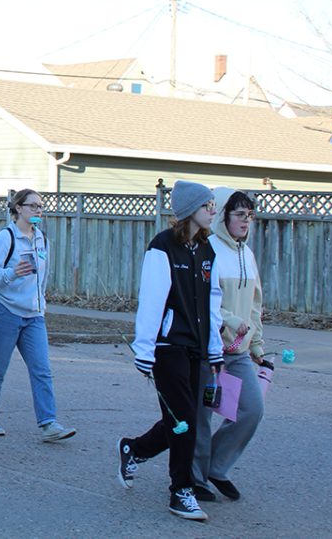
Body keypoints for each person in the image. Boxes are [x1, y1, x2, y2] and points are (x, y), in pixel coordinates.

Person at [118, 180, 224, 522]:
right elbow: (152, 299)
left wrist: (215, 347)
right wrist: (144, 348)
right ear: (189, 210)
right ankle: (181, 491)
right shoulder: (162, 247)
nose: (212, 211)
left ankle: (134, 449)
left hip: (196, 347)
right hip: (167, 348)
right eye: (207, 206)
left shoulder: (207, 251)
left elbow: (213, 302)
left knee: (182, 418)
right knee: (185, 420)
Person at [0, 189, 76, 443]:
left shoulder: (40, 238)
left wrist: (41, 303)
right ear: (18, 208)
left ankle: (49, 424)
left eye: (40, 207)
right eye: (32, 206)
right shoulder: (5, 238)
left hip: (34, 316)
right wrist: (13, 274)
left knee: (42, 370)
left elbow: (42, 276)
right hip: (6, 311)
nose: (38, 211)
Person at [191, 188, 266, 503]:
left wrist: (257, 343)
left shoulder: (246, 254)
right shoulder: (207, 250)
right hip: (208, 350)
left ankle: (216, 467)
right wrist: (231, 321)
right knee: (201, 416)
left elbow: (255, 305)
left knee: (252, 409)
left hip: (237, 352)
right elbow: (200, 301)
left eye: (249, 215)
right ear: (223, 215)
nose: (245, 221)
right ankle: (194, 478)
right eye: (239, 214)